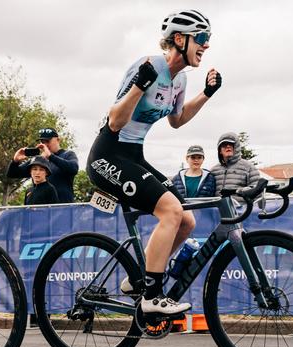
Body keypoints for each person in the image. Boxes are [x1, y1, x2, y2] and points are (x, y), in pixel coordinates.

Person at [87, 9, 221, 314]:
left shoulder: (180, 79)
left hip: (134, 155)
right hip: (108, 154)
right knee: (172, 211)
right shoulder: (150, 65)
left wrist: (207, 94)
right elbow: (115, 121)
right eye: (201, 38)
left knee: (185, 220)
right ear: (179, 39)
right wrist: (138, 85)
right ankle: (151, 294)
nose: (207, 45)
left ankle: (139, 280)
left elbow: (177, 120)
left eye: (208, 39)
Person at [7, 128, 78, 203]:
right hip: (40, 210)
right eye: (42, 142)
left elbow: (73, 168)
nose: (45, 145)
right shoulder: (39, 159)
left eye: (48, 141)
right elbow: (12, 174)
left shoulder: (68, 154)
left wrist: (51, 156)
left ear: (58, 140)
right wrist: (15, 161)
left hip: (63, 209)